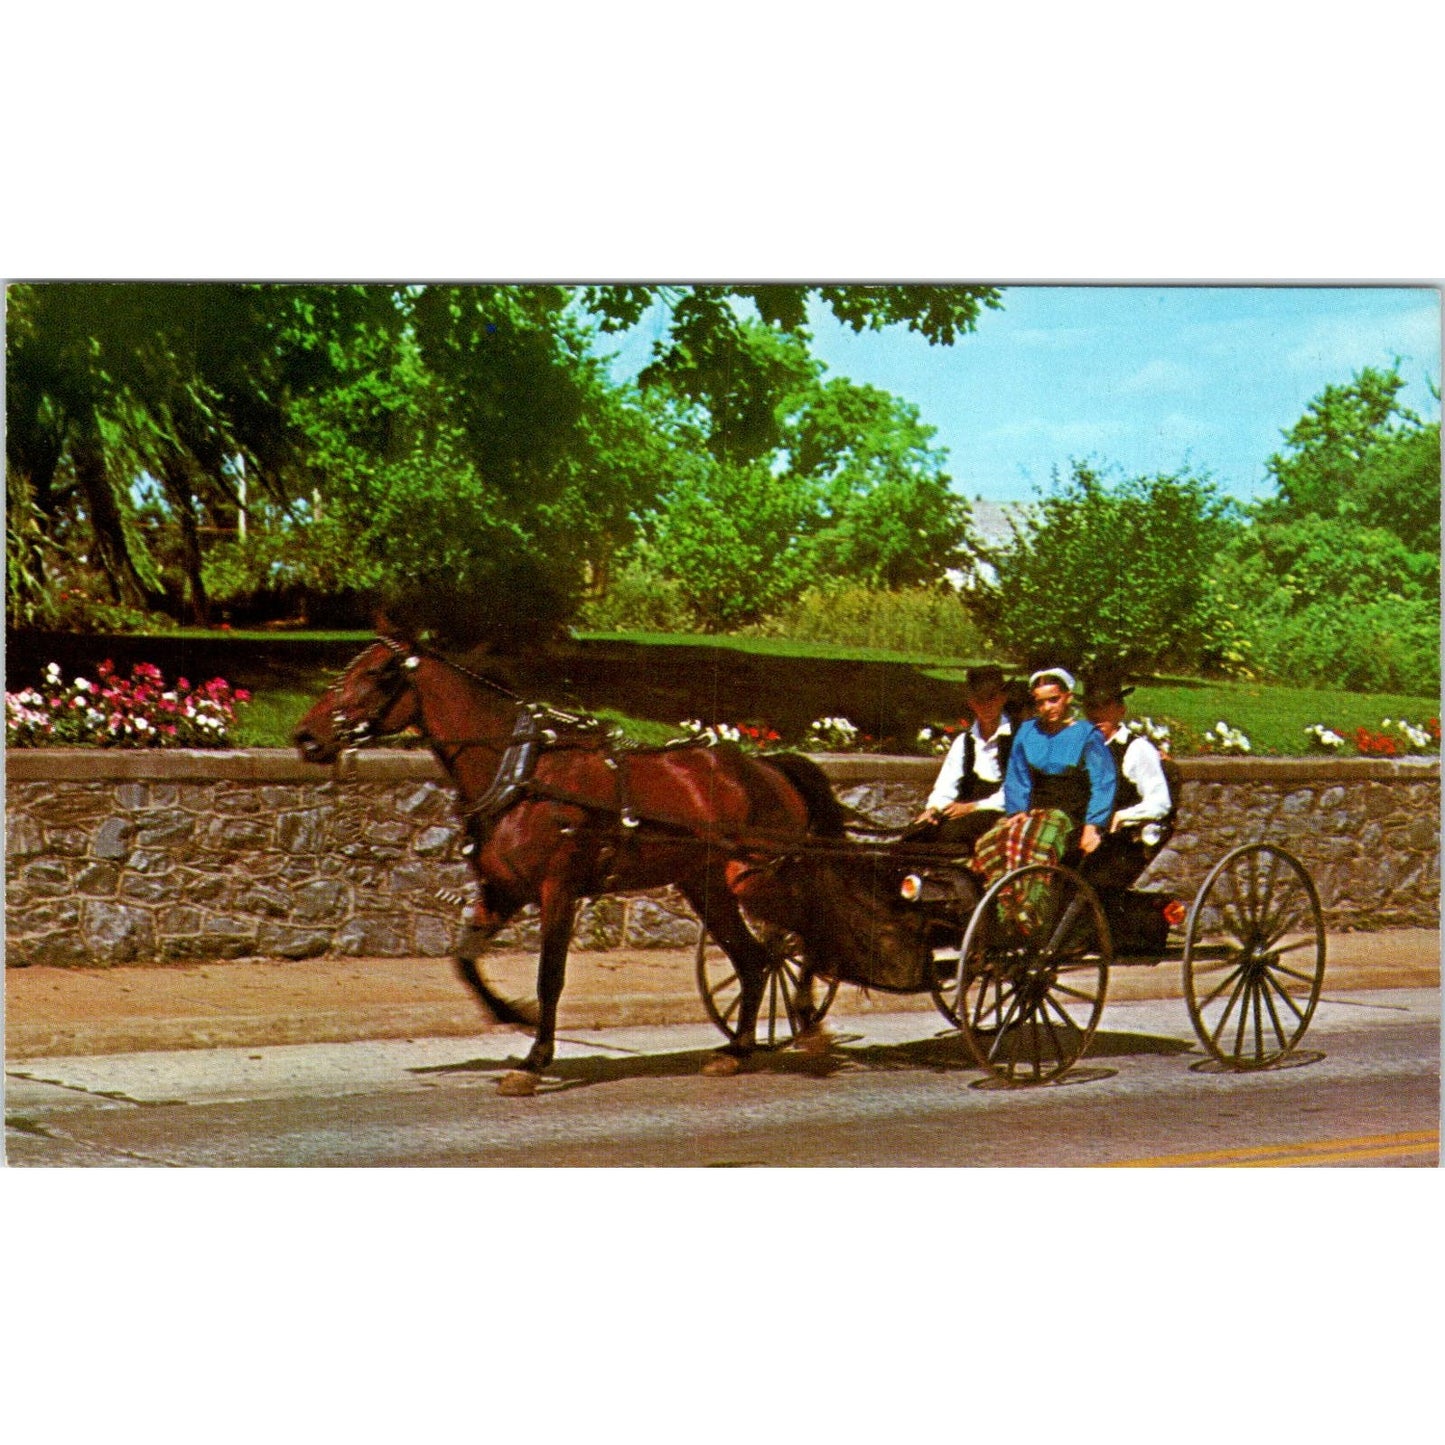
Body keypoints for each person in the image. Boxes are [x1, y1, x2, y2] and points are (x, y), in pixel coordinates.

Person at [1079, 673, 1175, 890]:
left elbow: (1160, 802)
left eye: (1105, 706)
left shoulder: (1137, 749)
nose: (1097, 714)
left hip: (1120, 843)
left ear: (1120, 710)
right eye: (1092, 707)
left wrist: (1121, 816)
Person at [911, 664, 1017, 853]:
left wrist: (973, 807)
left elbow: (1014, 791)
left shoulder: (1019, 738)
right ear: (971, 703)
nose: (986, 705)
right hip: (965, 810)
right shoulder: (964, 741)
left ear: (1002, 698)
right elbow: (946, 785)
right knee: (916, 834)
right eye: (979, 700)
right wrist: (934, 809)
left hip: (1000, 810)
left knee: (950, 835)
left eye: (991, 697)